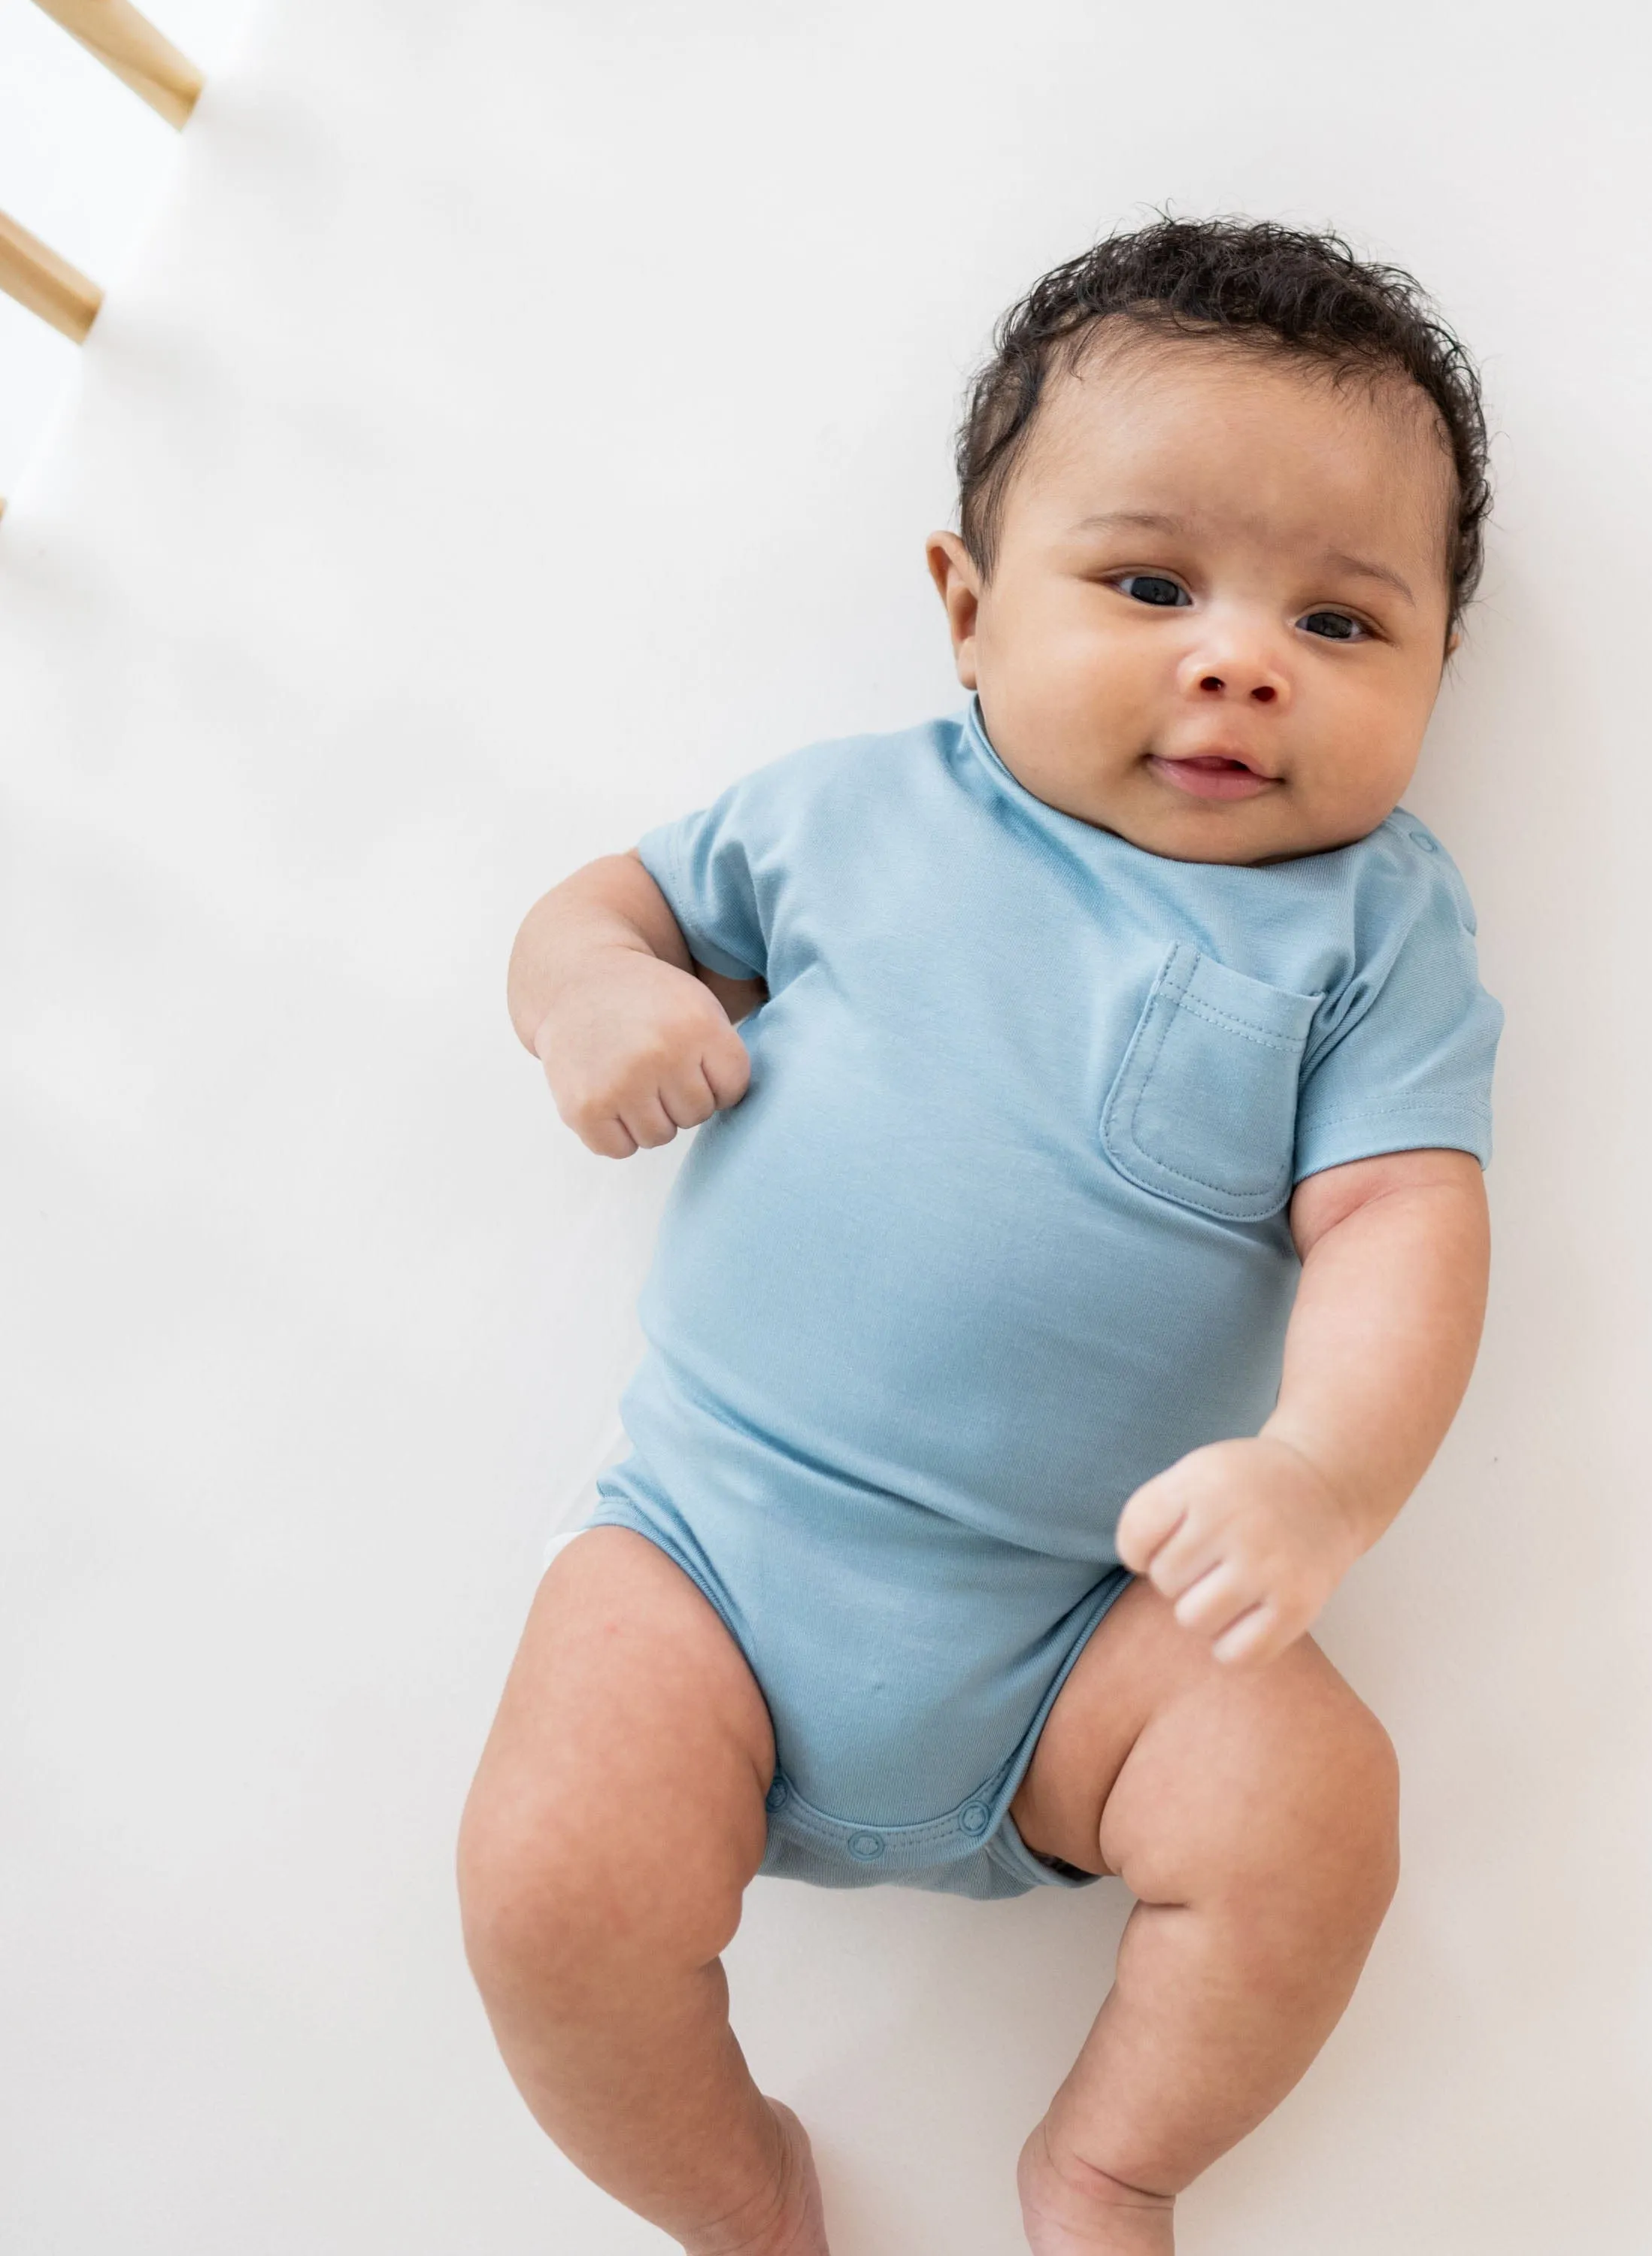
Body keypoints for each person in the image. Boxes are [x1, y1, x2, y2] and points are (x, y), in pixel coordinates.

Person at [457, 214, 1505, 2256]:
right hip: (710, 1563)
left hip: (1074, 1650)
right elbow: (601, 909)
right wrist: (597, 995)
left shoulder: (1373, 933)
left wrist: (1321, 1476)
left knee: (1316, 1817)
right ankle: (735, 2193)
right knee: (549, 1882)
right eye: (1148, 584)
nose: (1240, 657)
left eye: (1346, 625)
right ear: (966, 606)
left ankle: (1110, 2161)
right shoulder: (859, 814)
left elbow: (1401, 1217)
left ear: (1440, 676)